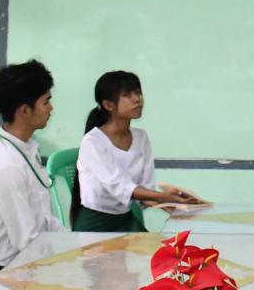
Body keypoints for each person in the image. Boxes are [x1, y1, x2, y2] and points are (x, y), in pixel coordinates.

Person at [73, 70, 202, 231]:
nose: (137, 99)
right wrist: (163, 196)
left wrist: (175, 203)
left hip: (125, 219)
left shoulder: (141, 137)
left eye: (138, 92)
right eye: (127, 95)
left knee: (160, 247)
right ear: (108, 105)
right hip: (95, 223)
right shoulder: (93, 141)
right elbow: (121, 187)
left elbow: (145, 193)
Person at [0, 59, 63, 279]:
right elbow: (26, 242)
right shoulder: (7, 166)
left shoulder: (25, 148)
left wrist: (75, 242)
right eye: (46, 102)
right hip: (7, 271)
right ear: (25, 111)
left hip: (29, 258)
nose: (51, 108)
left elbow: (43, 218)